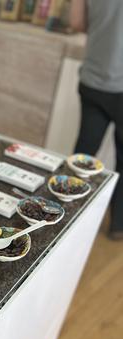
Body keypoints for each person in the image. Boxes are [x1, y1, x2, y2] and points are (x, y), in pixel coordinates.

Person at [70, 0, 123, 240]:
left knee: (85, 152)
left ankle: (67, 211)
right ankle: (118, 226)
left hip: (93, 81)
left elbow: (77, 22)